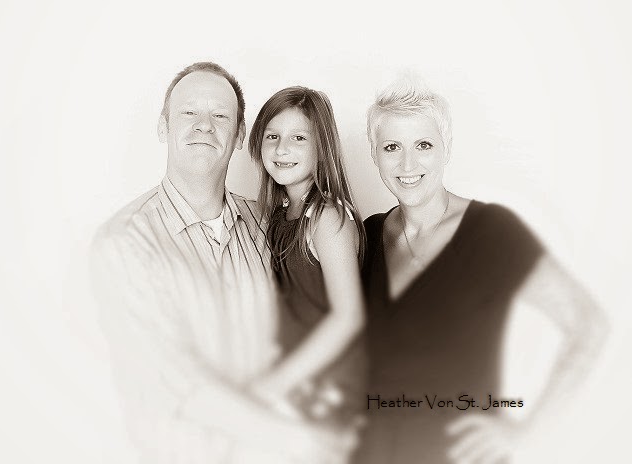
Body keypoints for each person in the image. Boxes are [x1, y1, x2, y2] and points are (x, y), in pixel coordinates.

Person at [91, 62, 357, 464]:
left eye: (219, 115)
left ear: (238, 135)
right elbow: (173, 380)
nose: (204, 125)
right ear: (163, 126)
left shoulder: (267, 222)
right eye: (189, 112)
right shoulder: (125, 242)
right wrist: (298, 441)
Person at [354, 77, 607, 464]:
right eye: (392, 147)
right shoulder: (367, 235)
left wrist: (528, 432)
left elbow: (588, 324)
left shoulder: (493, 231)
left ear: (446, 147)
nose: (407, 164)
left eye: (423, 145)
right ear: (374, 154)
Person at [247, 87, 367, 433]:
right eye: (272, 136)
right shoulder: (276, 216)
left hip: (329, 390)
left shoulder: (327, 217)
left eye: (298, 138)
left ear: (321, 148)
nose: (281, 149)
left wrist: (274, 385)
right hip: (292, 385)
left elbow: (348, 317)